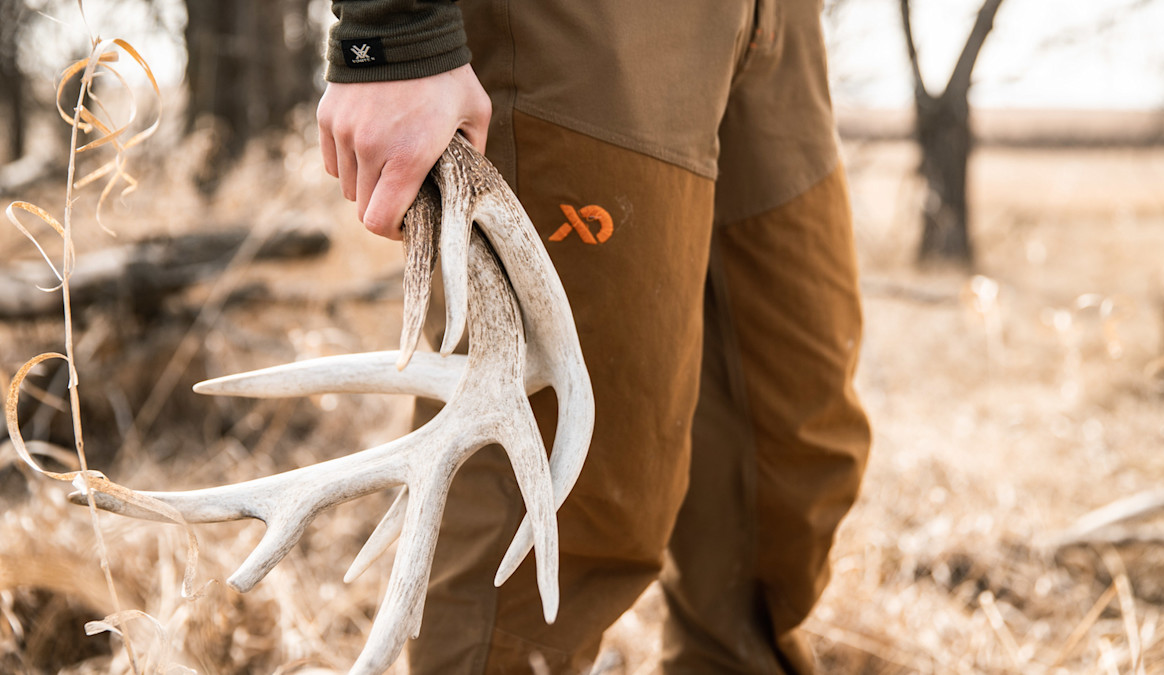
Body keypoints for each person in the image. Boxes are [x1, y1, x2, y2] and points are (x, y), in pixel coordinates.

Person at [317, 1, 871, 673]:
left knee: (792, 445)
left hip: (774, 25)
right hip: (580, 28)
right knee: (554, 496)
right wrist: (390, 29)